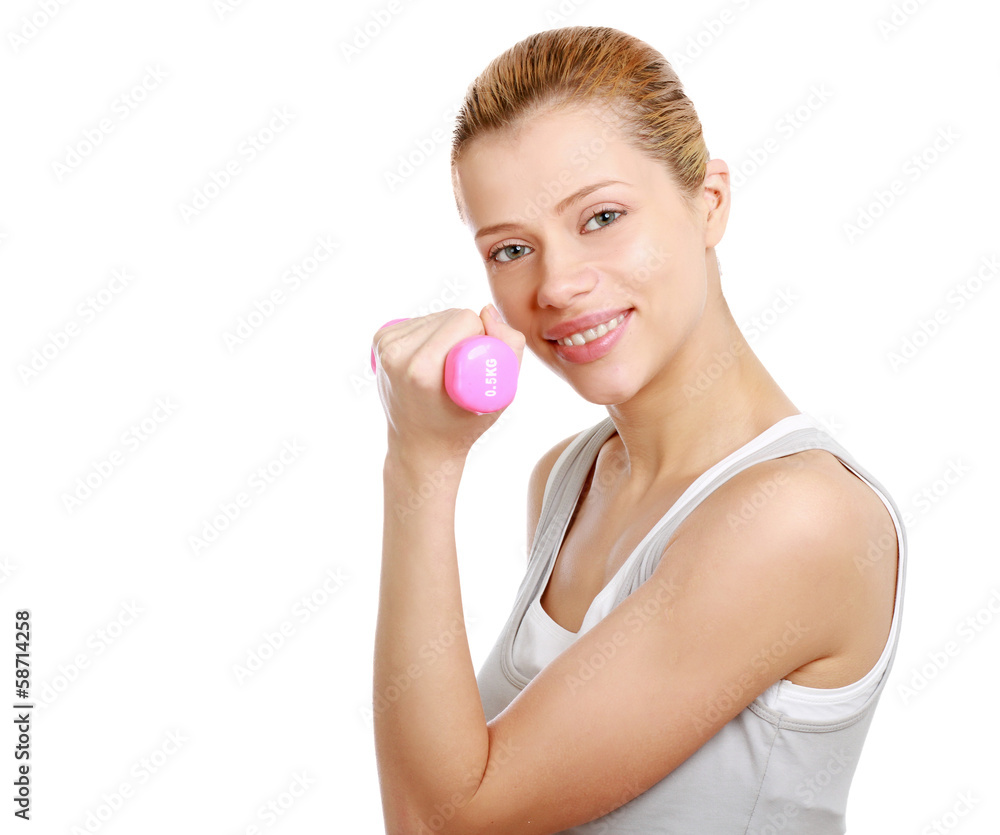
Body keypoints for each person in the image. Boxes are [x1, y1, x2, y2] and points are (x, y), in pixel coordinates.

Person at [371, 24, 906, 835]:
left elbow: (442, 821)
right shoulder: (569, 477)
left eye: (601, 216)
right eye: (511, 248)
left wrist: (420, 463)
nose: (556, 284)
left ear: (709, 203)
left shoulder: (800, 520)